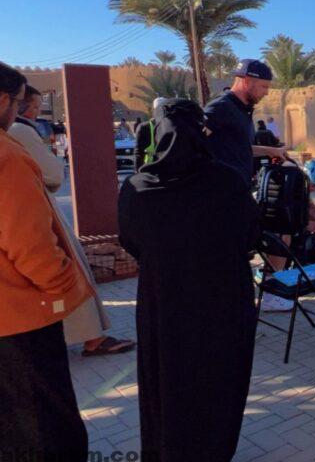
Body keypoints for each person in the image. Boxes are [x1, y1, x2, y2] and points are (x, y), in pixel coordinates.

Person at [118, 99, 259, 461]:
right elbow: (250, 235)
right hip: (223, 298)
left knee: (166, 374)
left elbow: (131, 242)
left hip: (164, 301)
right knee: (219, 374)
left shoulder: (137, 187)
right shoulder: (227, 181)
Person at [0, 63, 91, 461]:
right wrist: (65, 288)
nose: (20, 113)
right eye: (19, 103)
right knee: (46, 431)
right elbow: (32, 247)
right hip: (21, 322)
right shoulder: (7, 157)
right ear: (2, 100)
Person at [9, 85, 134, 357]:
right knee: (66, 271)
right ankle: (92, 338)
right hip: (35, 215)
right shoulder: (19, 132)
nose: (35, 112)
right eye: (32, 106)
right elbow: (53, 175)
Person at [204, 58, 288, 184]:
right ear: (247, 82)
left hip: (240, 188)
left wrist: (271, 151)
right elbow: (195, 143)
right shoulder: (220, 107)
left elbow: (239, 148)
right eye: (264, 86)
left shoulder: (242, 109)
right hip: (221, 190)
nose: (266, 93)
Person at [135, 97, 170, 172]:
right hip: (152, 171)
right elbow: (138, 154)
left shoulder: (173, 126)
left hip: (161, 170)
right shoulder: (145, 128)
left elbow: (138, 154)